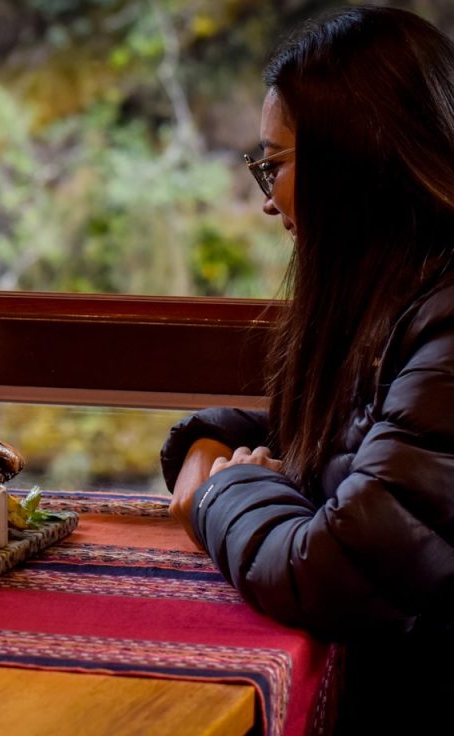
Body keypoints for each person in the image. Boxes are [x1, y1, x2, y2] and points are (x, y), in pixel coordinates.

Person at [160, 6, 454, 732]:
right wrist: (208, 440)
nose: (267, 200)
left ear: (357, 161)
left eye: (277, 164)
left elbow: (336, 574)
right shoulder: (412, 299)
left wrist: (222, 495)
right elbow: (377, 442)